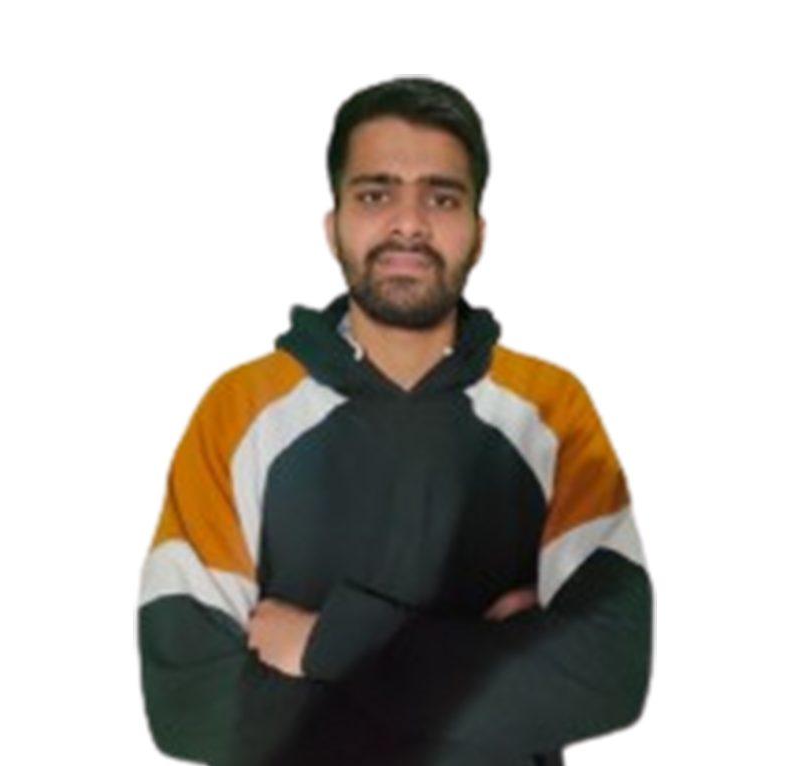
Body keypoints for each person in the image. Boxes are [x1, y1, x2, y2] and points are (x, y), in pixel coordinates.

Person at [137, 76, 652, 766]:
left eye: (441, 198)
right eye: (375, 195)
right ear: (331, 223)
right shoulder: (235, 414)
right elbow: (190, 706)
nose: (408, 224)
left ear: (479, 232)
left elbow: (608, 674)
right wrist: (492, 661)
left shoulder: (554, 414)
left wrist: (329, 643)